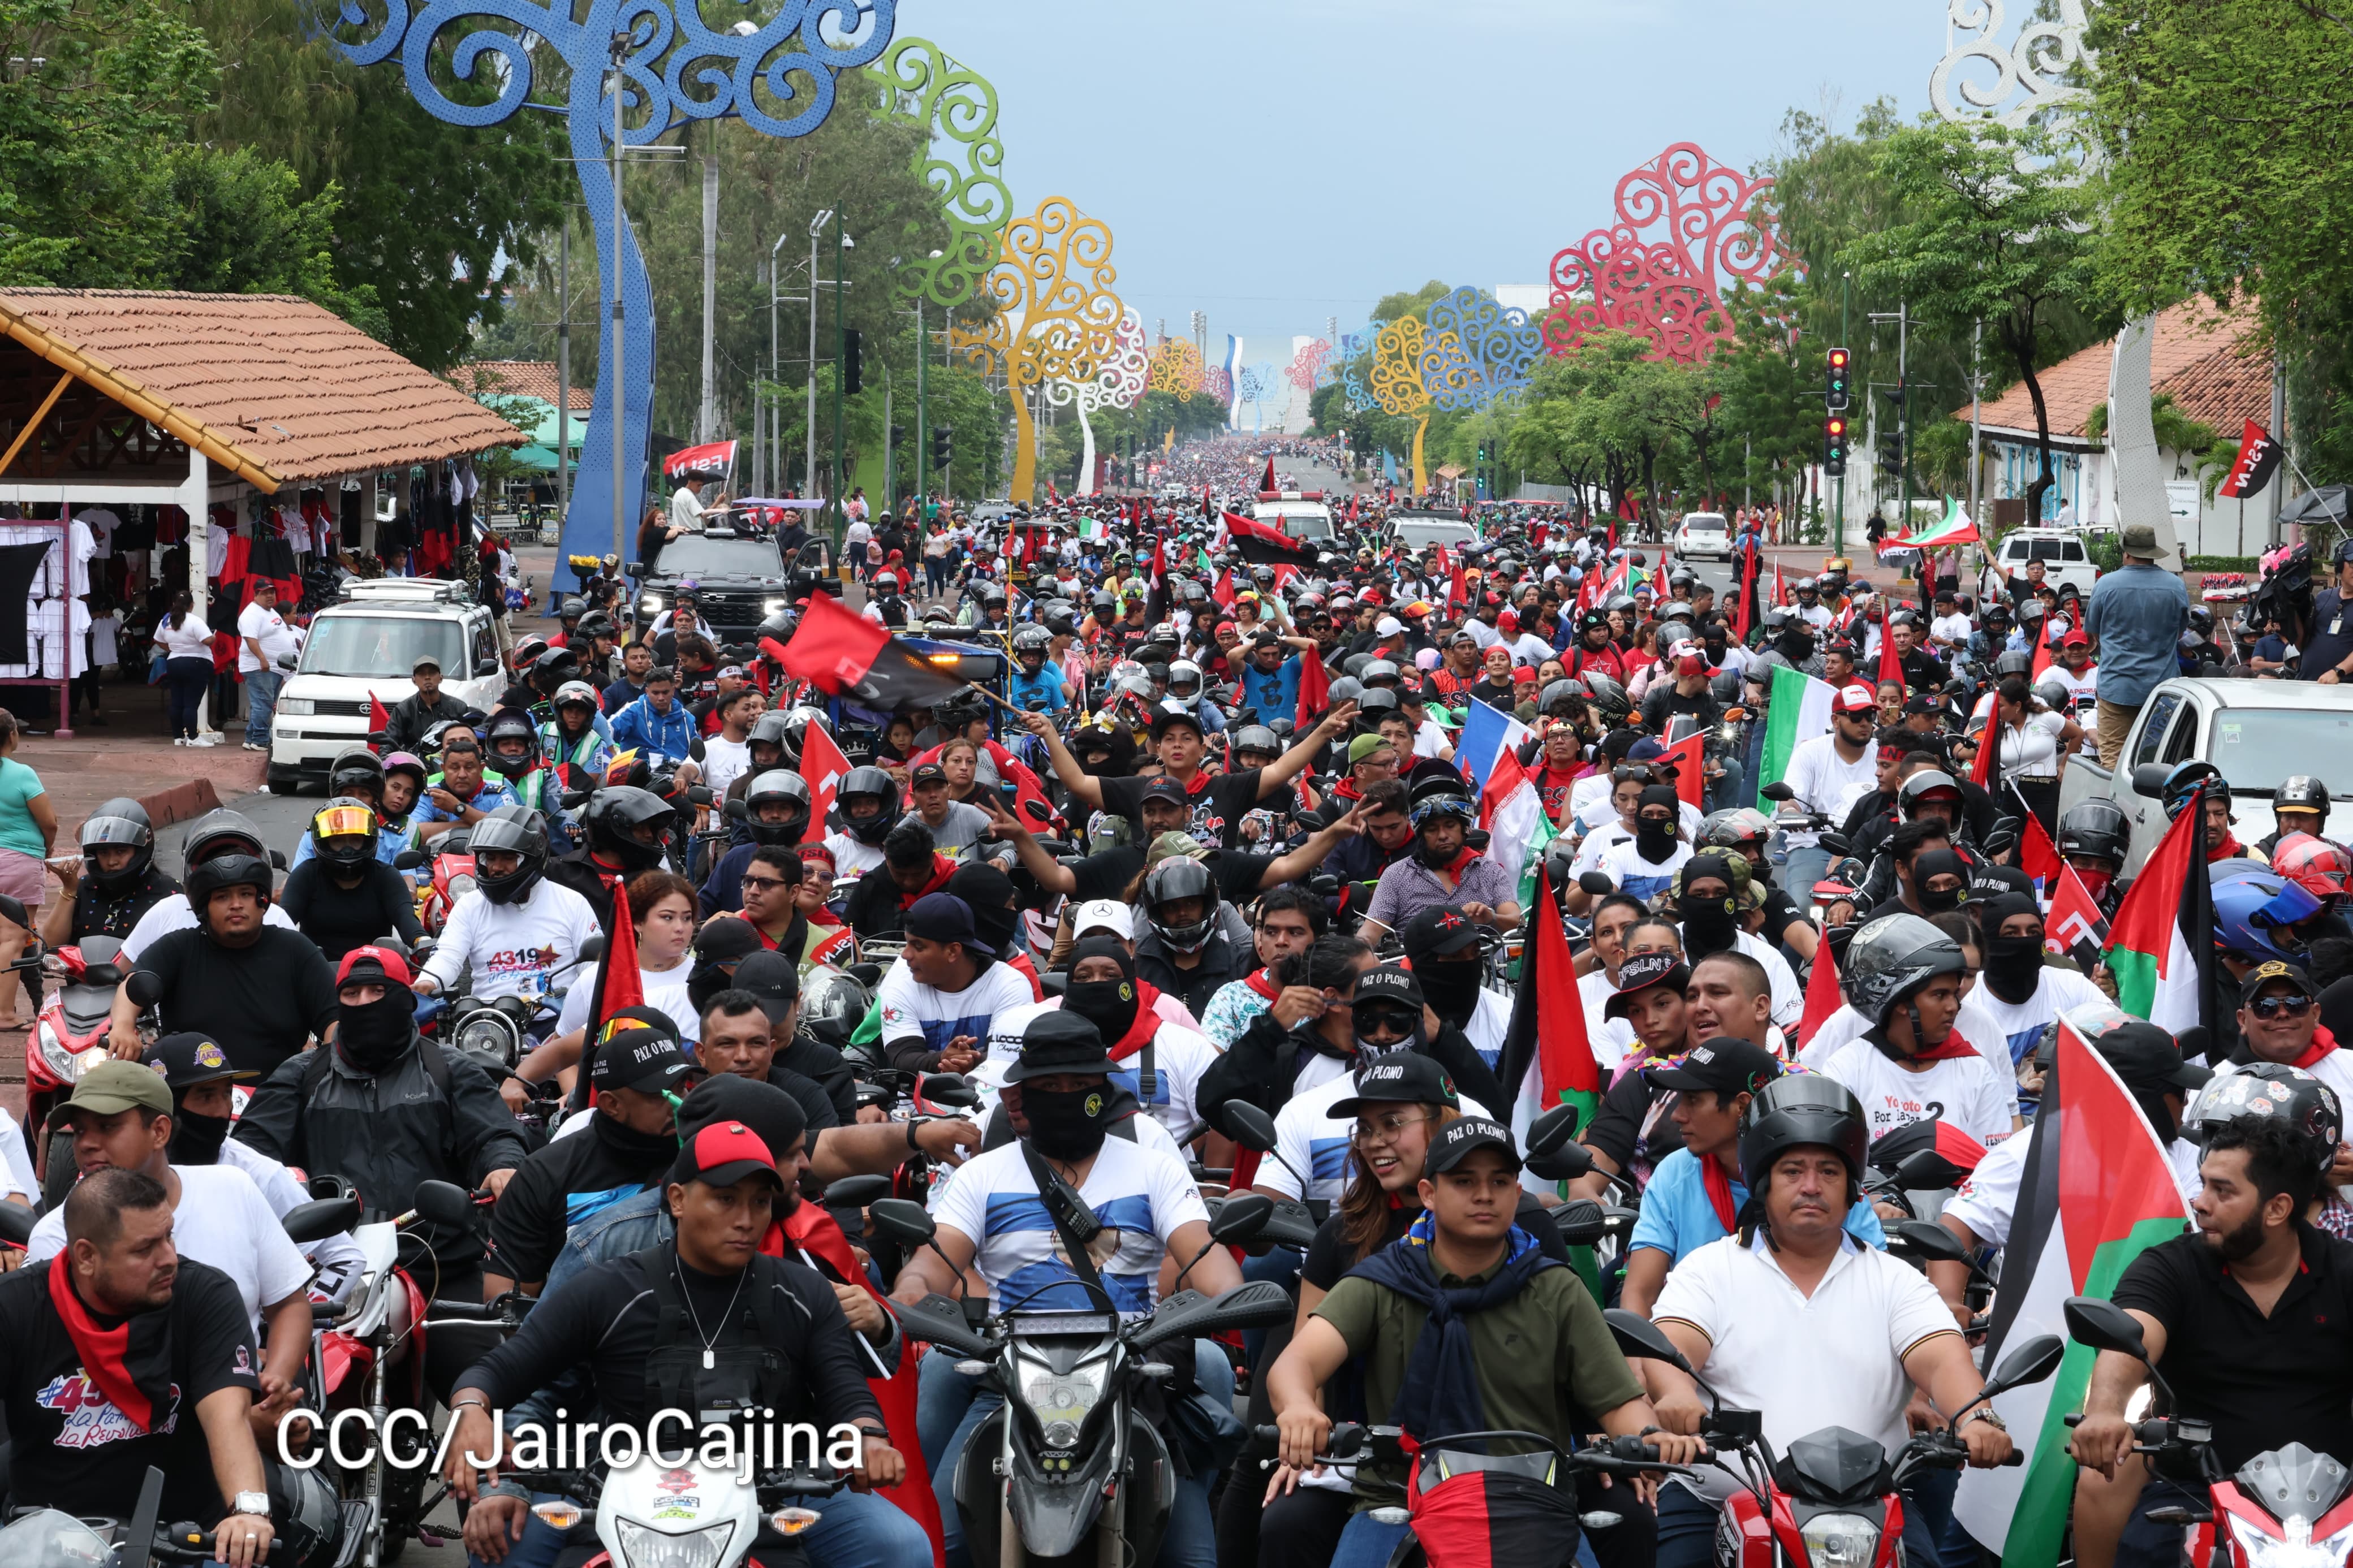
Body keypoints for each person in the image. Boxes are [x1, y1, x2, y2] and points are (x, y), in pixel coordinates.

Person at [449, 1115, 903, 1567]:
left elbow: (846, 1389)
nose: (746, 1220)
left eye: (760, 1202)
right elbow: (502, 1369)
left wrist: (868, 1439)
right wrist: (470, 1409)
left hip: (772, 1494)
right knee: (498, 1541)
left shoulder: (805, 1292)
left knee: (903, 1546)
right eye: (726, 1199)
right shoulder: (608, 1288)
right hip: (617, 1494)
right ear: (678, 1199)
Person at [1269, 1116, 1700, 1568]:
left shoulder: (1557, 1288)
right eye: (1464, 1180)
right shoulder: (1383, 1280)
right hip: (1397, 1502)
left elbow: (1621, 1405)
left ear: (1517, 1192)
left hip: (1535, 1501)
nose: (1484, 1194)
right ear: (1429, 1193)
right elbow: (1295, 1363)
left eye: (1499, 1180)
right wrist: (1298, 1406)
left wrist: (1650, 1440)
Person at [890, 1010, 1237, 1568]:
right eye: (1049, 1086)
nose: (1065, 1096)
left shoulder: (1154, 1169)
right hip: (1009, 1381)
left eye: (1079, 1084)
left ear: (1105, 1087)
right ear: (1022, 1094)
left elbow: (1204, 1255)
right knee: (942, 1546)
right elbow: (933, 1261)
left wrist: (1222, 1294)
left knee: (1191, 1558)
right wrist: (910, 1290)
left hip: (1129, 1377)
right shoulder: (982, 1175)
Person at [1641, 1076, 2014, 1568]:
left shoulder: (1894, 1279)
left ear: (1853, 1186)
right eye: (1793, 1170)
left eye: (1830, 1171)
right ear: (1763, 1180)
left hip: (1868, 1512)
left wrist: (1976, 1415)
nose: (1812, 1186)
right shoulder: (1709, 1269)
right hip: (1716, 1503)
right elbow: (1673, 1346)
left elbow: (1943, 1358)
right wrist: (1676, 1395)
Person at [2068, 1112, 2353, 1568]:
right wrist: (2104, 1410)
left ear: (2277, 1209)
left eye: (2223, 1190)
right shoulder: (2170, 1266)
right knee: (2136, 1532)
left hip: (2337, 1501)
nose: (2199, 1202)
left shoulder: (2343, 1268)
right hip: (2194, 1491)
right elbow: (2130, 1338)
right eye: (2203, 1184)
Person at [0, 1168, 278, 1566]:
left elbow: (229, 1418)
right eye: (145, 1249)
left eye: (169, 1236)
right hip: (44, 1544)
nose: (169, 1258)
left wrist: (249, 1509)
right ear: (87, 1257)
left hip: (186, 1539)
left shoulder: (206, 1295)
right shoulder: (14, 1306)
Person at [26, 1059, 313, 1431]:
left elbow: (290, 1304)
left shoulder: (233, 1187)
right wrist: (237, 1422)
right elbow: (66, 1370)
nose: (87, 1144)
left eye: (107, 1127)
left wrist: (273, 1387)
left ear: (159, 1131)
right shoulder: (56, 1236)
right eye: (80, 1130)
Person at [234, 947, 525, 1303]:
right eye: (351, 994)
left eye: (378, 991)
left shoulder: (450, 1068)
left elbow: (494, 1134)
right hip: (333, 1269)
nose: (364, 1003)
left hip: (442, 1264)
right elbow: (250, 1155)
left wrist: (503, 1166)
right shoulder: (301, 1075)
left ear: (406, 1001)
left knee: (493, 1336)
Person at [1619, 1035, 1885, 1316]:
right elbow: (1640, 1294)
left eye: (1693, 1100)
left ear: (1742, 1107)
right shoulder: (1673, 1173)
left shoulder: (1819, 1182)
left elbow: (1879, 1286)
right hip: (1693, 1335)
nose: (1677, 1115)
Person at [484, 1011, 699, 1295]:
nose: (677, 1103)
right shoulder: (545, 1174)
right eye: (659, 1095)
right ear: (612, 1105)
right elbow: (506, 1300)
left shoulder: (709, 1150)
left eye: (681, 1088)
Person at [109, 846, 337, 1077]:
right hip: (190, 1090)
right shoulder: (178, 947)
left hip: (281, 1091)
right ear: (204, 907)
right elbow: (131, 985)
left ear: (263, 901)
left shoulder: (296, 949)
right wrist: (123, 1027)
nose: (236, 904)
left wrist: (329, 1069)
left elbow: (335, 1018)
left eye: (246, 894)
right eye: (222, 897)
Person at [1819, 913, 2019, 1144]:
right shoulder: (1847, 1068)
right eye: (1940, 995)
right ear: (1901, 1001)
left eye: (1954, 994)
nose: (1954, 1006)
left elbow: (1993, 1161)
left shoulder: (1977, 1072)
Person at [414, 807, 603, 1006]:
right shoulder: (469, 906)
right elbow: (448, 956)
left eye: (508, 858)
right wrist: (428, 981)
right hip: (486, 1019)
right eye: (490, 858)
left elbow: (592, 971)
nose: (496, 867)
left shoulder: (572, 903)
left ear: (534, 857)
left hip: (556, 1019)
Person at [874, 891, 1034, 1073]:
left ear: (953, 951)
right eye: (907, 943)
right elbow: (903, 1058)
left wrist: (968, 1062)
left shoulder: (1010, 985)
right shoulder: (899, 985)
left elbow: (1008, 1057)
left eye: (918, 946)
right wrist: (944, 1059)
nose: (905, 955)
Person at [2084, 522, 2191, 767]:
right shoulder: (2175, 585)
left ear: (2126, 552)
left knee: (2113, 761)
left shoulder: (2106, 585)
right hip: (2162, 689)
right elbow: (2179, 632)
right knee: (2159, 760)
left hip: (2117, 688)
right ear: (2153, 552)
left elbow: (2094, 632)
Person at [279, 798, 423, 961]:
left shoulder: (386, 876)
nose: (347, 850)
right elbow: (282, 923)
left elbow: (406, 919)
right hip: (315, 970)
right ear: (324, 843)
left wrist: (423, 941)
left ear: (368, 840)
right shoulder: (306, 875)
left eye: (355, 840)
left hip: (376, 970)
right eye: (338, 841)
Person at [40, 794, 178, 949]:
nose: (112, 861)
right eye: (104, 853)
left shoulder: (169, 893)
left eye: (121, 852)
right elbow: (52, 944)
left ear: (140, 850)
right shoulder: (86, 887)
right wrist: (69, 890)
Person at [235, 580, 298, 752]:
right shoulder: (251, 614)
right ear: (256, 595)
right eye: (265, 593)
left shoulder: (270, 612)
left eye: (272, 592)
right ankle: (260, 740)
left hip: (274, 668)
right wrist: (263, 659)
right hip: (260, 667)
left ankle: (251, 738)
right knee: (263, 704)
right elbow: (250, 639)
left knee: (264, 704)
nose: (270, 596)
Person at [154, 589, 216, 744]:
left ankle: (178, 737)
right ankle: (193, 738)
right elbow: (207, 641)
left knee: (176, 702)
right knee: (191, 704)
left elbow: (157, 640)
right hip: (196, 663)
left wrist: (173, 649)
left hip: (174, 663)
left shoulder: (166, 621)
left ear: (174, 603)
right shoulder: (195, 621)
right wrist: (214, 636)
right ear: (192, 605)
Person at [383, 654, 473, 753]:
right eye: (421, 674)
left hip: (451, 760)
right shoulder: (403, 710)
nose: (427, 677)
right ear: (414, 680)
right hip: (414, 761)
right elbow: (388, 743)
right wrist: (384, 760)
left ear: (441, 678)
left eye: (432, 673)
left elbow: (472, 740)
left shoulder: (459, 708)